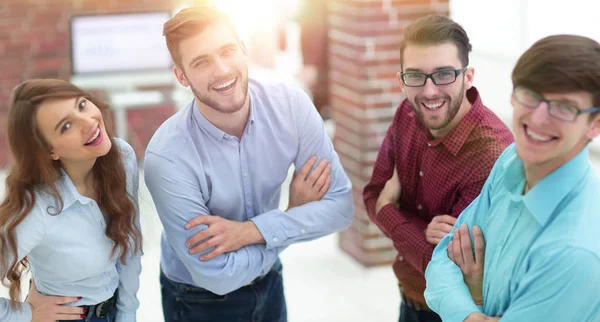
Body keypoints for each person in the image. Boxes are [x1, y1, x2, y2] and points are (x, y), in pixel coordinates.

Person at [143, 5, 353, 322]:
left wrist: (251, 231)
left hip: (270, 281)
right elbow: (216, 275)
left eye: (228, 51)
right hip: (198, 299)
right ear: (181, 76)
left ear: (243, 49)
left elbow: (340, 208)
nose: (222, 69)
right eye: (201, 62)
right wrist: (291, 220)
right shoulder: (168, 156)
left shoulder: (291, 106)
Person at [424, 34, 600, 322]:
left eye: (565, 107)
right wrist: (474, 314)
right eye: (531, 94)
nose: (539, 119)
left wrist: (475, 298)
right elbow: (443, 260)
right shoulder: (511, 160)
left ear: (595, 124)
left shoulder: (575, 254)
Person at [363, 15, 513, 322]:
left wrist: (389, 209)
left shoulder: (491, 153)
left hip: (458, 313)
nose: (429, 92)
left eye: (444, 74)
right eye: (416, 76)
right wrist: (411, 226)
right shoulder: (407, 113)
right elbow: (371, 195)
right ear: (401, 80)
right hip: (408, 300)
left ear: (468, 76)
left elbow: (449, 264)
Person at [0, 79, 142, 322]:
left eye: (82, 105)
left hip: (115, 310)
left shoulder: (122, 158)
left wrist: (128, 314)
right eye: (66, 126)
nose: (88, 122)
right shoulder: (35, 209)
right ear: (49, 151)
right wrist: (26, 314)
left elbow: (130, 247)